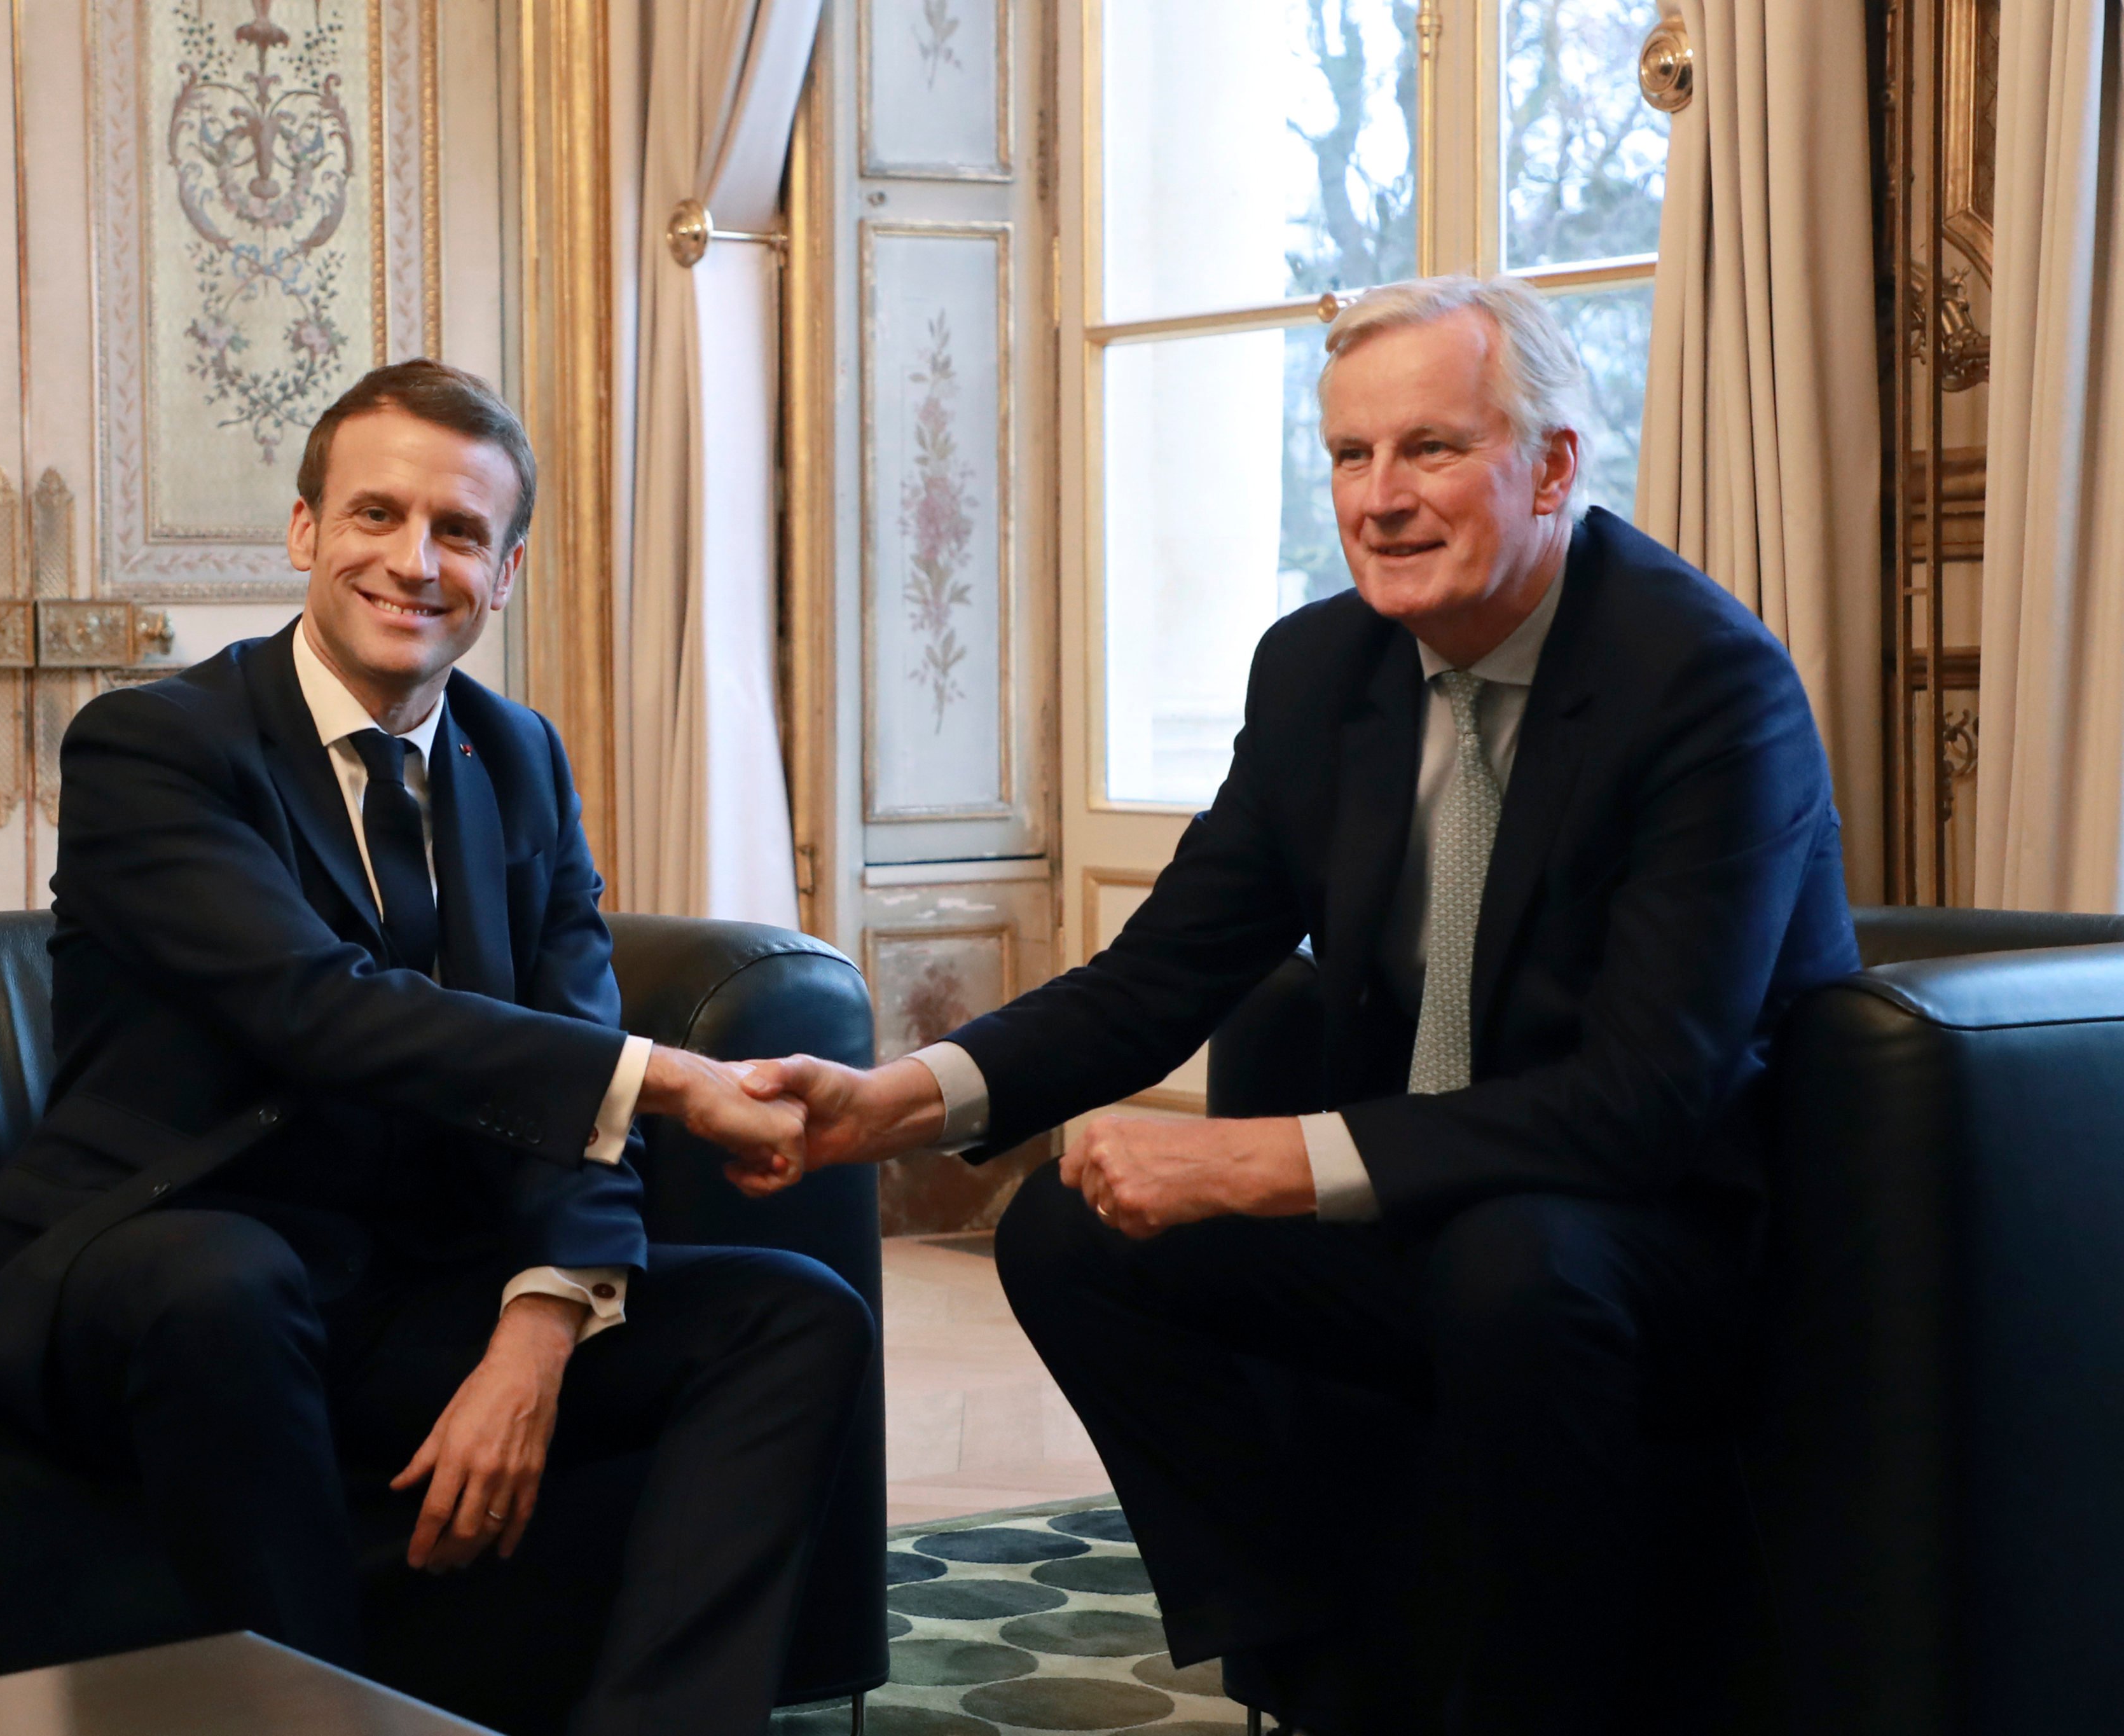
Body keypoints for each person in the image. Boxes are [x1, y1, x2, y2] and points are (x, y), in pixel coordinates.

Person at [734, 277, 1859, 1735]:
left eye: (1430, 451)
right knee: (1070, 1233)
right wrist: (900, 1100)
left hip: (1661, 1233)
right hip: (1432, 1208)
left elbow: (1643, 1099)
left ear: (1552, 467)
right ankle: (1328, 1668)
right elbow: (1162, 972)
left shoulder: (1702, 684)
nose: (1378, 500)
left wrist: (1261, 1160)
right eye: (1347, 456)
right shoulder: (1321, 667)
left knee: (1510, 1266)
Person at [0, 359, 873, 1736]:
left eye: (459, 532)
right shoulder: (155, 746)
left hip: (404, 1289)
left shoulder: (516, 757)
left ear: (503, 574)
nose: (413, 562)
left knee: (793, 1311)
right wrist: (676, 1081)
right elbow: (313, 1005)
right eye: (375, 515)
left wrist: (535, 1330)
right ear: (304, 534)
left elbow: (563, 1036)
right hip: (167, 1262)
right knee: (223, 1277)